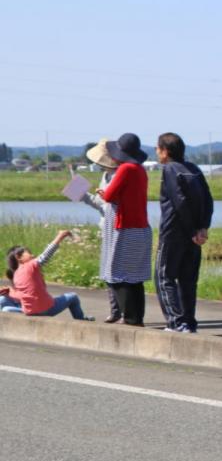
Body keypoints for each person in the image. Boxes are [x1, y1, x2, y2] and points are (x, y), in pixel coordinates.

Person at [82, 138, 152, 325]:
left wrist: (101, 193)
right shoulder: (140, 170)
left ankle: (129, 318)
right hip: (140, 227)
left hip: (124, 227)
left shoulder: (125, 169)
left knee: (118, 274)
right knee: (134, 278)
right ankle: (136, 318)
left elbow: (111, 195)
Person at [155, 132, 213, 333]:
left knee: (164, 277)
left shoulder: (170, 169)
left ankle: (176, 322)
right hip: (194, 235)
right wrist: (202, 228)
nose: (156, 152)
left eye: (158, 148)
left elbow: (179, 202)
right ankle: (189, 322)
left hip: (173, 233)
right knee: (188, 280)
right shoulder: (194, 169)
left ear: (165, 151)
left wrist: (191, 231)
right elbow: (208, 199)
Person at [5, 230, 94, 320]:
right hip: (47, 309)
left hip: (30, 312)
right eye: (29, 253)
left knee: (6, 308)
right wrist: (60, 236)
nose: (33, 255)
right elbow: (46, 255)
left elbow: (22, 295)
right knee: (73, 296)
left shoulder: (15, 275)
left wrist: (11, 292)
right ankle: (81, 320)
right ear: (18, 257)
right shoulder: (30, 266)